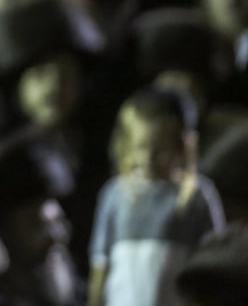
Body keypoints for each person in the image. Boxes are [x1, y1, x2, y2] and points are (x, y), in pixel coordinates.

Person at [87, 87, 225, 306]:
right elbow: (101, 262)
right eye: (141, 147)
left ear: (181, 145)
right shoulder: (115, 193)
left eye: (160, 149)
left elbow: (214, 263)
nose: (148, 158)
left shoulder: (197, 196)